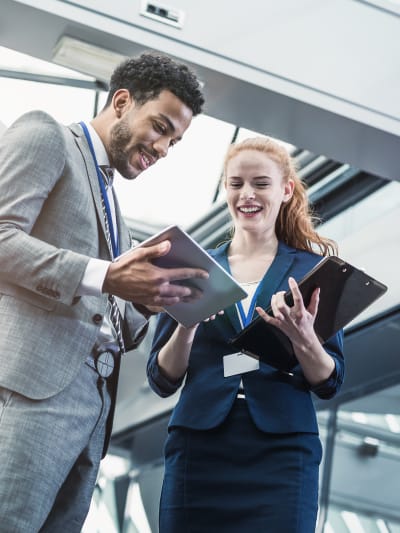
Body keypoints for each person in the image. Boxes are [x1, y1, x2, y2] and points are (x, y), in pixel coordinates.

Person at [0, 52, 207, 532]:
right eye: (160, 127)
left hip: (92, 412)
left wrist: (149, 298)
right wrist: (105, 275)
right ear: (121, 102)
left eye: (173, 142)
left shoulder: (114, 202)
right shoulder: (47, 135)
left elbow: (112, 310)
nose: (162, 149)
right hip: (28, 391)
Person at [147, 136, 345, 532]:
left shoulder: (313, 270)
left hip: (283, 453)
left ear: (286, 190)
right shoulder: (193, 266)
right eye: (236, 184)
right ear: (225, 189)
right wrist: (187, 325)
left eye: (260, 183)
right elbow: (162, 378)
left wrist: (305, 340)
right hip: (199, 449)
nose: (247, 194)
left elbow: (330, 380)